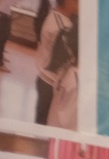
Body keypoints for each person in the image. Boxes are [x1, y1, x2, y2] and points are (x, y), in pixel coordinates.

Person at [33, 0, 77, 128]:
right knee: (44, 126)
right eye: (78, 2)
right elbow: (69, 57)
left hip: (48, 81)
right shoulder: (61, 26)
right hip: (50, 83)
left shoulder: (59, 18)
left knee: (42, 123)